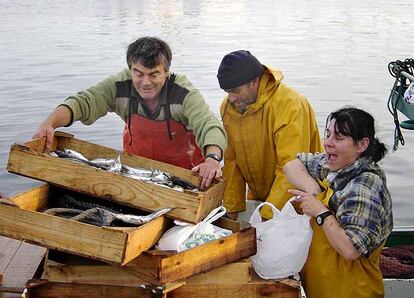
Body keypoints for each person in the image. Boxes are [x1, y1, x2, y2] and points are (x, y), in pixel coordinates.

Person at [33, 36, 227, 189]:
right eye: (138, 73)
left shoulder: (183, 93)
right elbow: (84, 102)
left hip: (183, 178)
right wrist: (50, 123)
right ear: (130, 70)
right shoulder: (120, 85)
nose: (145, 82)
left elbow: (209, 125)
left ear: (166, 73)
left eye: (154, 74)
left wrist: (212, 159)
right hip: (134, 173)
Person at [283, 107, 393, 298]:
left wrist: (320, 211)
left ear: (361, 145)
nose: (328, 143)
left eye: (339, 138)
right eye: (328, 134)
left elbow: (350, 250)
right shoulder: (334, 164)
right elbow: (292, 165)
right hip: (321, 289)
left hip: (350, 294)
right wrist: (314, 191)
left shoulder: (364, 186)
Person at [216, 50, 323, 219]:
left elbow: (290, 169)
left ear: (254, 82)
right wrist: (232, 208)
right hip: (262, 198)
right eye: (227, 92)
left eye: (236, 91)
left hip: (300, 203)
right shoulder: (229, 108)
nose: (231, 98)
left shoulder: (290, 105)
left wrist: (267, 215)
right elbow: (232, 160)